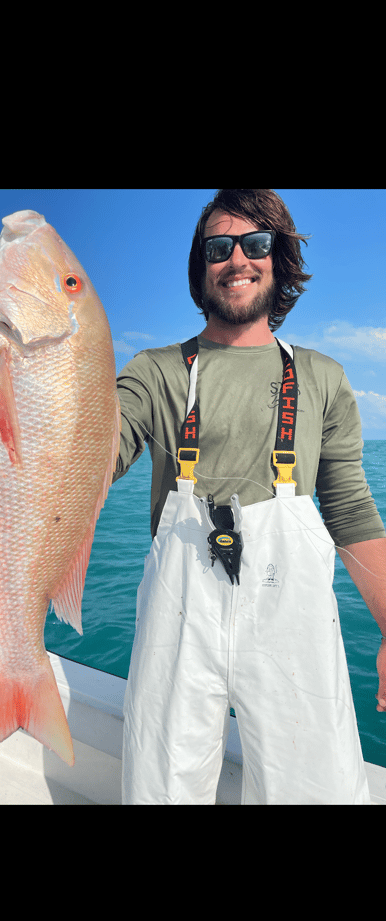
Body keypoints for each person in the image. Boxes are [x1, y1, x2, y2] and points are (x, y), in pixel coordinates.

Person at [113, 188, 386, 805]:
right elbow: (91, 455)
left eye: (255, 243)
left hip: (292, 622)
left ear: (279, 257)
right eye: (218, 247)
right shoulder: (154, 372)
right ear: (200, 264)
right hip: (177, 623)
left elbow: (349, 512)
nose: (236, 259)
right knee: (159, 790)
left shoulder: (322, 378)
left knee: (319, 790)